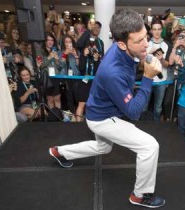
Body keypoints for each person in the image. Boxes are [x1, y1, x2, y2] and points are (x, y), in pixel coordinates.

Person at [48, 9, 165, 208]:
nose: (146, 44)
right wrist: (148, 77)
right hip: (103, 119)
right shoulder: (113, 71)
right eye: (139, 41)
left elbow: (131, 65)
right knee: (150, 146)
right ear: (121, 43)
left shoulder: (121, 49)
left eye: (145, 37)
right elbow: (134, 112)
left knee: (103, 147)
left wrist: (143, 61)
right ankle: (140, 195)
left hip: (98, 112)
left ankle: (59, 152)